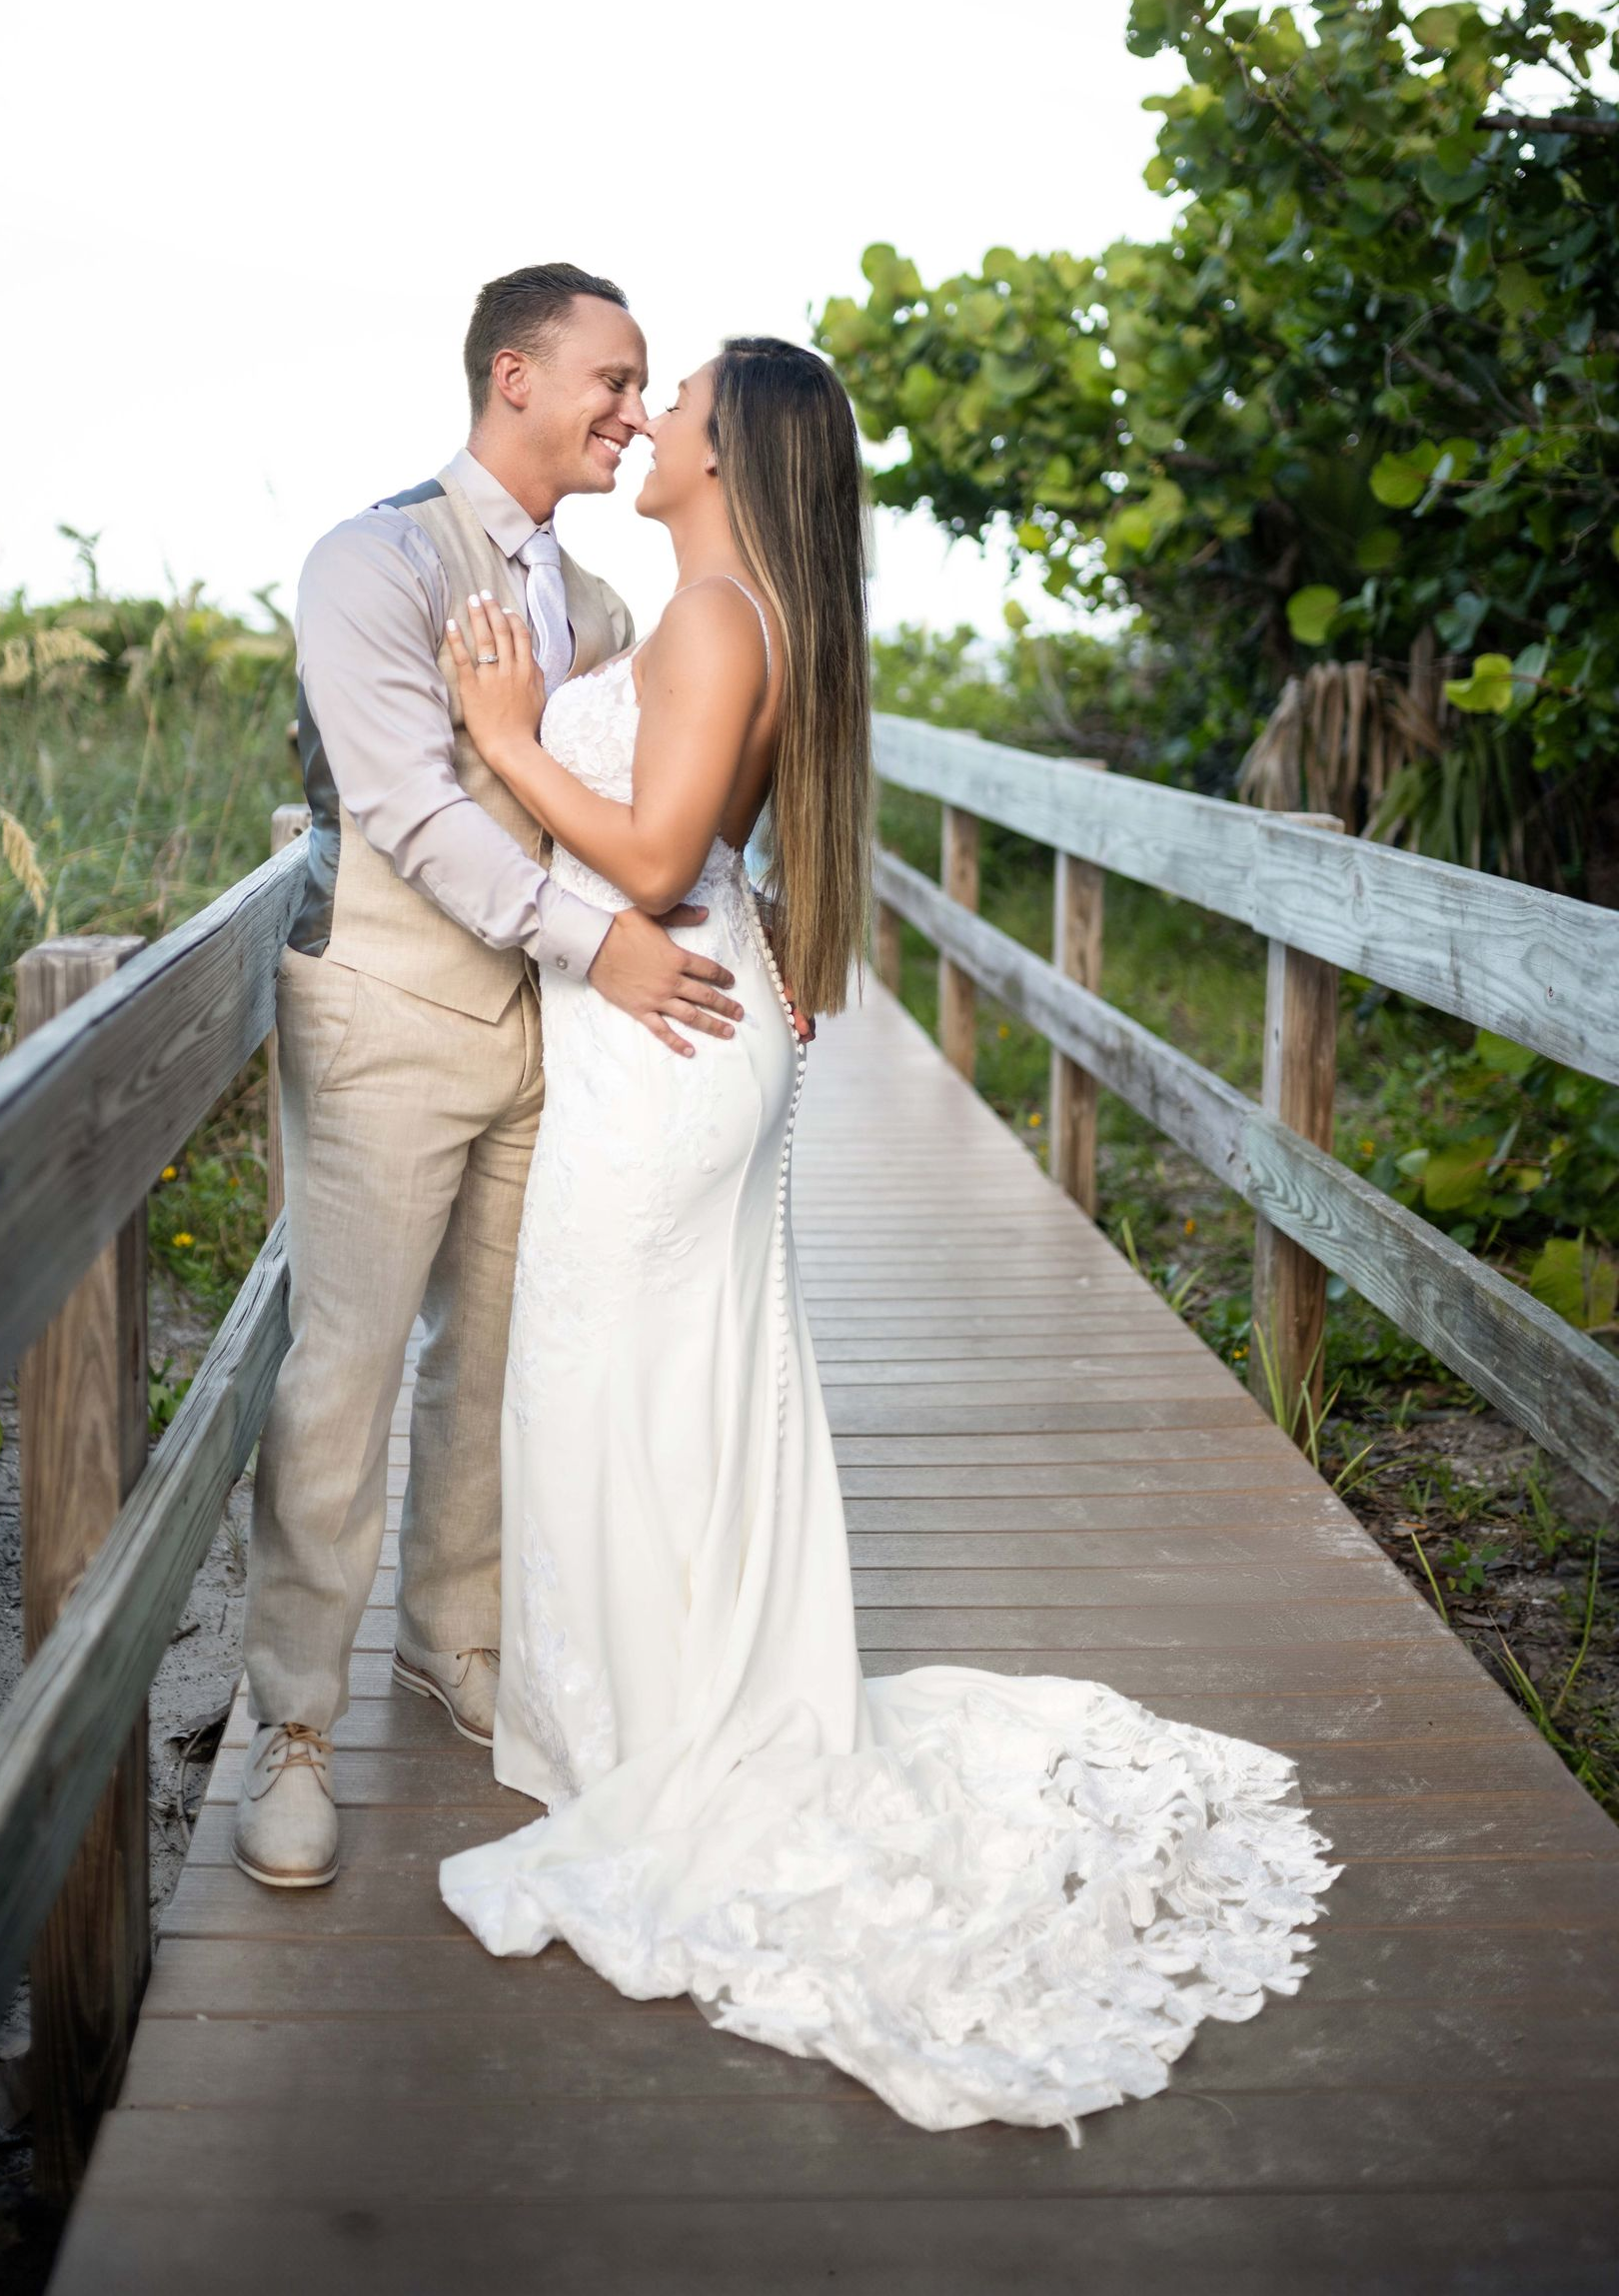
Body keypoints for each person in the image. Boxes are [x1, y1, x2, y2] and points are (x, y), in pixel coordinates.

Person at [436, 337, 1339, 2136]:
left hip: (667, 1037)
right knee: (662, 1374)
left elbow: (653, 852)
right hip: (688, 1023)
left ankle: (656, 1733)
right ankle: (649, 1700)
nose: (655, 414)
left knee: (616, 1369)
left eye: (678, 397)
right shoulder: (743, 607)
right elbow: (726, 854)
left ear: (734, 447)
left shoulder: (710, 616)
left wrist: (504, 733)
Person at [235, 264, 748, 1891]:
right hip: (384, 1011)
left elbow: (635, 801)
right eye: (613, 375)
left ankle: (452, 1636)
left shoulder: (593, 609)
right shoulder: (369, 560)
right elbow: (407, 806)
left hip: (553, 1046)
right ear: (513, 375)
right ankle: (293, 1724)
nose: (633, 407)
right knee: (347, 1369)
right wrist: (593, 941)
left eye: (651, 384)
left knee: (499, 1361)